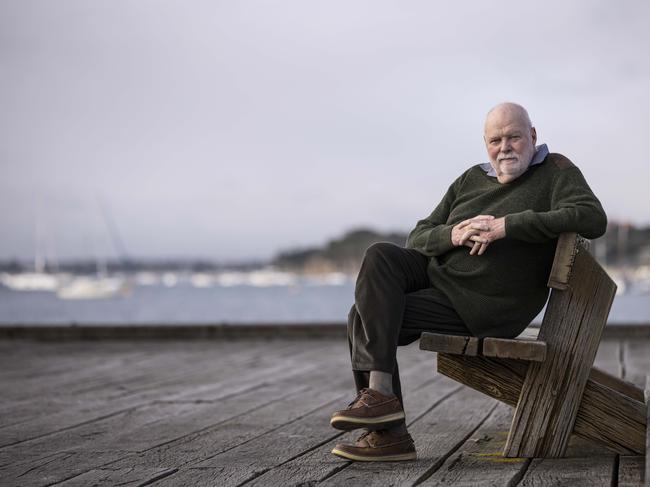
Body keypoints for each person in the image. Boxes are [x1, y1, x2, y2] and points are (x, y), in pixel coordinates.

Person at [329, 102, 607, 462]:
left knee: (359, 317)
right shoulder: (470, 178)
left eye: (514, 137)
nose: (504, 147)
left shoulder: (556, 171)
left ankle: (388, 435)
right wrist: (454, 234)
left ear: (533, 136)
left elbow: (592, 218)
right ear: (486, 144)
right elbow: (419, 235)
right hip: (438, 277)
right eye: (495, 140)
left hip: (483, 303)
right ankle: (381, 397)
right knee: (380, 254)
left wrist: (505, 226)